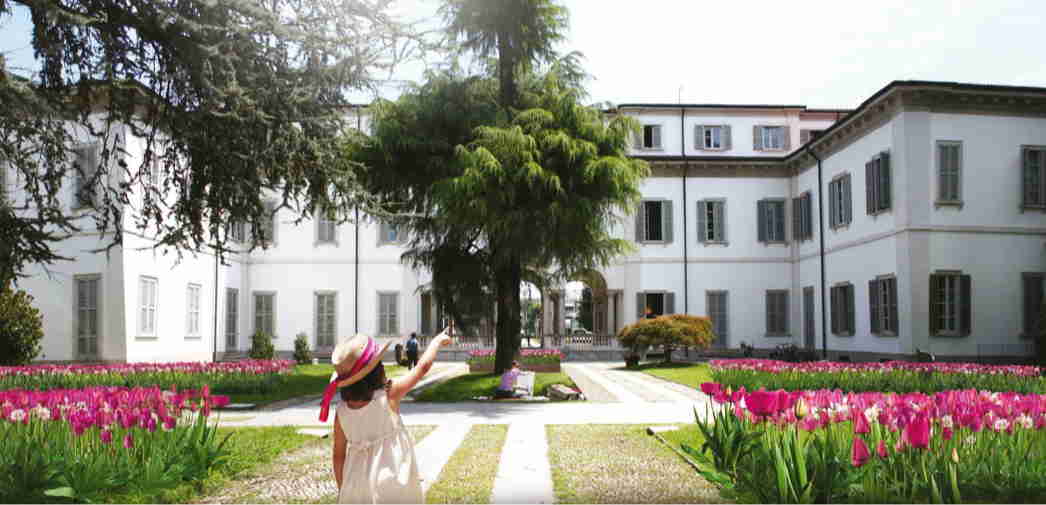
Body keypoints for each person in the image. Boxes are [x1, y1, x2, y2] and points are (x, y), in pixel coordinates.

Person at [318, 327, 452, 503]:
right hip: (392, 477)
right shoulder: (389, 394)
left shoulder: (342, 412)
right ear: (377, 370)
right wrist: (436, 342)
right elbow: (422, 367)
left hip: (356, 481)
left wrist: (344, 488)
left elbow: (338, 455)